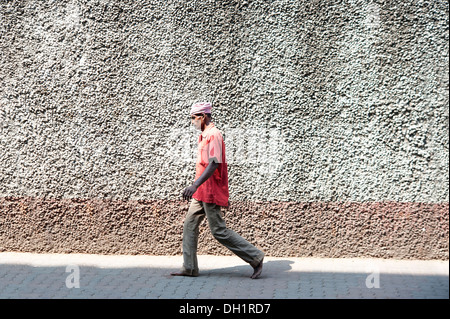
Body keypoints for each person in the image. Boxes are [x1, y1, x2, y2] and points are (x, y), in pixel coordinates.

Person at [171, 102, 265, 279]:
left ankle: (255, 257)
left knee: (219, 231)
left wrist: (194, 185)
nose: (192, 122)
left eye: (194, 118)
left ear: (203, 117)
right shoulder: (204, 135)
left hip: (210, 191)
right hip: (201, 191)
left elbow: (214, 163)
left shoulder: (213, 135)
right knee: (190, 226)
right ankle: (189, 267)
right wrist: (197, 187)